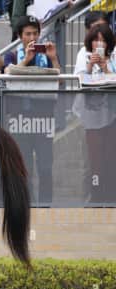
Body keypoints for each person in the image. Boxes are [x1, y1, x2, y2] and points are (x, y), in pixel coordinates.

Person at [3, 16, 60, 205]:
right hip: (19, 119)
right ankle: (25, 205)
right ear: (20, 36)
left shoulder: (48, 53)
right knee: (24, 165)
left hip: (44, 118)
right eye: (28, 34)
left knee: (45, 165)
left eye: (35, 33)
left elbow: (60, 80)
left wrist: (53, 58)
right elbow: (6, 77)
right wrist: (26, 60)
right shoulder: (12, 55)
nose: (32, 38)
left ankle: (45, 204)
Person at [73, 23, 116, 203]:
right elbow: (79, 80)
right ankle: (95, 199)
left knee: (110, 160)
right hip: (90, 118)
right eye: (96, 40)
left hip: (111, 116)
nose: (99, 44)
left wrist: (106, 68)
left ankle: (110, 199)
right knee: (93, 163)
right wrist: (90, 66)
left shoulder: (113, 55)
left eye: (103, 40)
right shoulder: (83, 54)